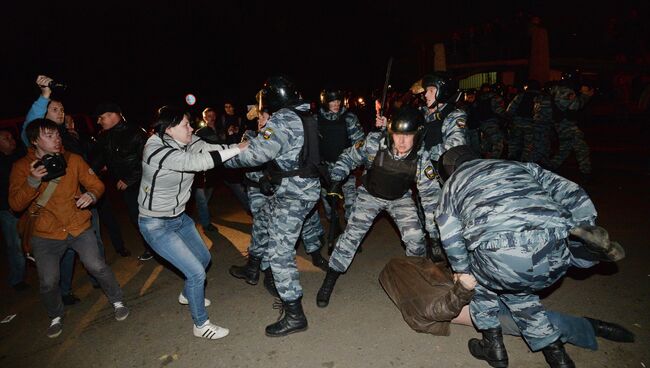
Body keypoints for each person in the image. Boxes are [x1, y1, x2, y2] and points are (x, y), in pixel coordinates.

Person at [434, 145, 626, 368]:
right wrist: (586, 222)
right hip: (552, 249)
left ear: (448, 171)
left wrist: (462, 271)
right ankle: (557, 355)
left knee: (480, 282)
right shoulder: (518, 165)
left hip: (503, 254)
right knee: (520, 293)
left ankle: (493, 347)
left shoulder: (453, 184)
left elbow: (450, 235)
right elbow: (570, 190)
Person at [9, 118, 129, 338]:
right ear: (35, 140)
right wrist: (32, 181)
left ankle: (118, 300)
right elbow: (15, 204)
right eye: (49, 136)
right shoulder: (21, 167)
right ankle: (55, 315)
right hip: (45, 233)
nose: (56, 139)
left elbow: (96, 184)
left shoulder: (72, 160)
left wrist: (91, 194)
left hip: (77, 225)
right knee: (48, 282)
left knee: (97, 266)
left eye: (57, 135)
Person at [137, 106, 245, 340]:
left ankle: (188, 295)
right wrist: (238, 148)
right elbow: (198, 163)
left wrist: (240, 148)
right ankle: (201, 324)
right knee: (196, 273)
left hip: (180, 218)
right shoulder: (154, 149)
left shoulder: (187, 140)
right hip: (155, 224)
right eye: (186, 125)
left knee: (204, 258)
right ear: (169, 129)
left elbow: (211, 149)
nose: (191, 128)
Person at [224, 75, 320, 337]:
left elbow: (258, 153)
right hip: (299, 189)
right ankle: (253, 267)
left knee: (280, 253)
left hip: (294, 194)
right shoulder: (305, 115)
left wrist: (221, 158)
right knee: (264, 218)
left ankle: (294, 315)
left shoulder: (283, 119)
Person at [379, 257, 635, 349]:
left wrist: (459, 276)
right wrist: (463, 287)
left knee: (531, 310)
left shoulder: (411, 269)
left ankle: (587, 326)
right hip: (474, 308)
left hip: (479, 297)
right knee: (540, 324)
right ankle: (593, 327)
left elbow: (439, 267)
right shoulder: (416, 296)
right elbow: (437, 309)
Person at [316, 107, 429, 308]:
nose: (402, 142)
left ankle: (414, 280)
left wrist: (435, 232)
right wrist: (336, 179)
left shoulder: (421, 158)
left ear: (417, 136)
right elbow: (348, 156)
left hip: (399, 198)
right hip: (371, 195)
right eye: (397, 136)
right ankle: (330, 278)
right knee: (351, 235)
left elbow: (430, 197)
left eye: (408, 136)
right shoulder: (374, 143)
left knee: (417, 240)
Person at [93, 102, 151, 260]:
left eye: (101, 117)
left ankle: (158, 246)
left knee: (149, 216)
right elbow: (100, 159)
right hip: (125, 187)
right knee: (136, 217)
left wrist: (129, 179)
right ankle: (151, 247)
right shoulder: (104, 136)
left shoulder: (136, 132)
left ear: (113, 115)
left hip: (142, 183)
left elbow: (148, 160)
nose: (99, 121)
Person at [548, 71, 594, 180]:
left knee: (565, 149)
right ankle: (586, 173)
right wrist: (585, 95)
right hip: (566, 125)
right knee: (582, 149)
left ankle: (549, 168)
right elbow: (574, 106)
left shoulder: (557, 89)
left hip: (561, 124)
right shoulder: (566, 91)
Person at [0, 129, 28, 290]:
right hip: (8, 211)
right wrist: (8, 206)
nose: (11, 140)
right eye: (6, 138)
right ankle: (17, 279)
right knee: (15, 245)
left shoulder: (20, 156)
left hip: (26, 206)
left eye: (11, 136)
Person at [193, 108, 221, 234]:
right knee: (201, 198)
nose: (211, 117)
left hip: (218, 167)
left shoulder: (221, 129)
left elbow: (224, 143)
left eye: (213, 115)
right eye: (208, 115)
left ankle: (204, 212)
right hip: (204, 168)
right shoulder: (200, 132)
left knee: (208, 192)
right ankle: (206, 223)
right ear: (204, 118)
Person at [506, 79, 541, 161]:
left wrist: (509, 120)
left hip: (517, 122)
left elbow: (510, 110)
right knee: (528, 145)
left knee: (514, 143)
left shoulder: (521, 95)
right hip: (530, 123)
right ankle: (524, 162)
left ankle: (512, 160)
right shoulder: (541, 97)